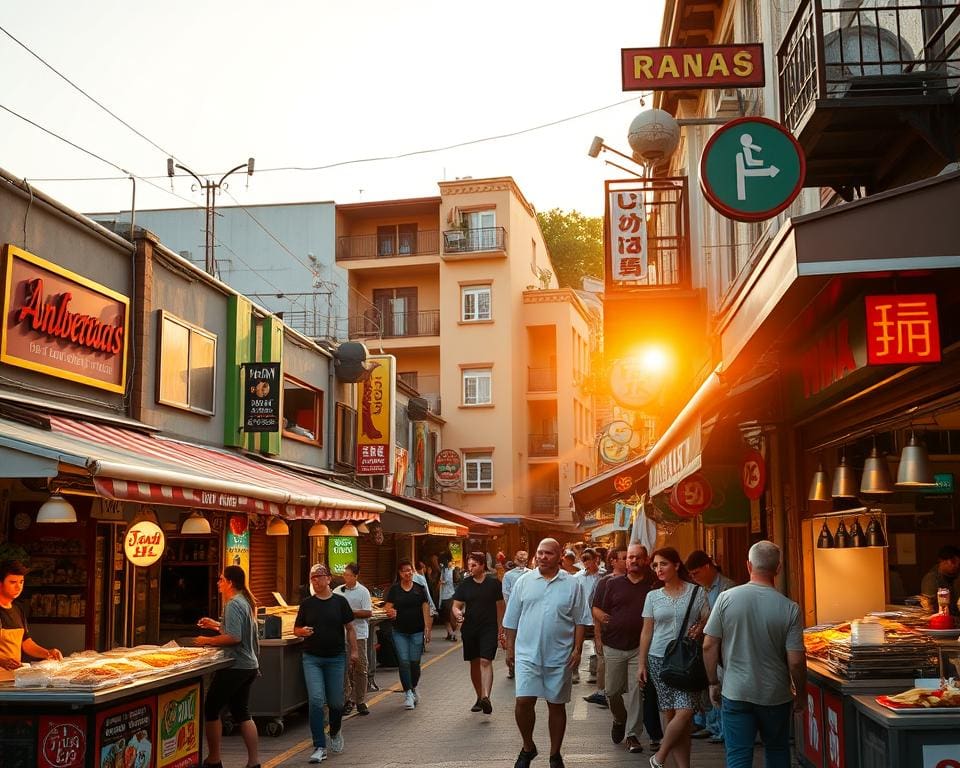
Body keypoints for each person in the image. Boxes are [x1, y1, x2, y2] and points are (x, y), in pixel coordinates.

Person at [703, 541, 807, 768]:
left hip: (736, 691)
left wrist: (713, 682)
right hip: (776, 694)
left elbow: (708, 645)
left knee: (738, 757)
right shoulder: (790, 608)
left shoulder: (726, 598)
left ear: (749, 565)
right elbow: (796, 661)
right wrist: (800, 693)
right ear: (778, 568)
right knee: (778, 751)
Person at [503, 538, 592, 768]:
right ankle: (527, 747)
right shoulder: (524, 582)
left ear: (559, 556)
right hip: (526, 654)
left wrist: (578, 648)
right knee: (523, 701)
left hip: (559, 655)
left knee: (556, 704)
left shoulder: (573, 584)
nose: (543, 557)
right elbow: (511, 619)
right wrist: (510, 649)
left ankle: (555, 754)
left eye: (548, 553)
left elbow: (580, 619)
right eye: (540, 553)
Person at [638, 547, 710, 768]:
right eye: (655, 566)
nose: (658, 569)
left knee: (685, 712)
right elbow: (647, 631)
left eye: (663, 564)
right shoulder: (653, 596)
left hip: (687, 660)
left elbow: (710, 620)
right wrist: (641, 663)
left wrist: (700, 628)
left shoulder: (697, 593)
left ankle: (659, 757)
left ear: (677, 565)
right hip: (659, 659)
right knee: (672, 716)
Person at [593, 543, 657, 755]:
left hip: (640, 647)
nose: (633, 561)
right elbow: (596, 608)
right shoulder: (612, 584)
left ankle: (632, 735)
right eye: (630, 557)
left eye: (638, 557)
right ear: (625, 560)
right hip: (614, 645)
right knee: (611, 692)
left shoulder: (652, 585)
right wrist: (600, 622)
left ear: (646, 560)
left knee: (637, 692)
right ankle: (619, 719)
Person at [195, 565, 260, 768]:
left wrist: (207, 640)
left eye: (221, 579)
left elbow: (234, 637)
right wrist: (215, 625)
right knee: (242, 712)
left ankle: (213, 760)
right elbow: (235, 629)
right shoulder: (245, 601)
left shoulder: (233, 603)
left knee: (212, 708)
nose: (218, 583)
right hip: (248, 665)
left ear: (230, 582)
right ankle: (253, 762)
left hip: (236, 666)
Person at [295, 563, 358, 763]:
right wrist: (301, 632)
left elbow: (350, 628)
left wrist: (354, 650)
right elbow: (297, 628)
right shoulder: (307, 604)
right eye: (313, 577)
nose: (316, 580)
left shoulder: (340, 602)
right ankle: (319, 745)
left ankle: (335, 731)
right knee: (315, 701)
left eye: (320, 576)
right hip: (312, 657)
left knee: (336, 703)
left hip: (336, 658)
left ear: (329, 579)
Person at [685, 550, 736, 744]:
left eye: (696, 573)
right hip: (708, 646)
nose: (693, 578)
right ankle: (713, 726)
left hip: (722, 647)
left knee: (721, 688)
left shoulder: (727, 587)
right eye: (691, 575)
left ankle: (723, 730)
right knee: (711, 687)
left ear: (707, 567)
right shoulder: (702, 589)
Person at [451, 551, 504, 714]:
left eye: (474, 565)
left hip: (489, 628)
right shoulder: (465, 584)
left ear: (482, 565)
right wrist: (457, 613)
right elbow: (456, 605)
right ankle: (479, 696)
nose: (471, 568)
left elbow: (500, 606)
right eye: (469, 565)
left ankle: (486, 697)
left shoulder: (494, 584)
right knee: (474, 662)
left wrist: (501, 627)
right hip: (470, 628)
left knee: (485, 661)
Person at [384, 559, 433, 709]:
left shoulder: (419, 589)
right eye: (405, 570)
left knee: (414, 662)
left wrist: (427, 628)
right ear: (400, 573)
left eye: (410, 570)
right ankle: (408, 694)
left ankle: (414, 686)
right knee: (404, 662)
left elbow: (426, 608)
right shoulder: (394, 590)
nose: (408, 573)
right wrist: (390, 612)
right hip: (399, 631)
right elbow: (388, 606)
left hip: (417, 631)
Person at [583, 547, 628, 709]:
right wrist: (598, 637)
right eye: (624, 557)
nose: (628, 561)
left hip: (632, 640)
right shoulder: (605, 582)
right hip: (609, 636)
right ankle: (604, 693)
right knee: (605, 664)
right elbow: (596, 610)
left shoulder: (638, 580)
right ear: (613, 561)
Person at [0, 560, 62, 669]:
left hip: (11, 675)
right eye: (13, 582)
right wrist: (1, 660)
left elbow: (26, 642)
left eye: (21, 582)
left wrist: (47, 653)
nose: (18, 587)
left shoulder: (18, 608)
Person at [333, 562, 373, 716]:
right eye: (345, 574)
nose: (346, 577)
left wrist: (350, 613)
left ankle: (360, 700)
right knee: (344, 669)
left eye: (349, 575)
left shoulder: (363, 592)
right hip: (341, 635)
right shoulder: (338, 591)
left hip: (359, 634)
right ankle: (347, 699)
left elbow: (368, 612)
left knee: (360, 667)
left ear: (356, 576)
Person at [572, 547, 602, 685]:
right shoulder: (577, 578)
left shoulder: (603, 576)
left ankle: (594, 672)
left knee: (598, 645)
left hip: (596, 617)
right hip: (580, 617)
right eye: (583, 560)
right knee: (576, 646)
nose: (585, 562)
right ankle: (574, 671)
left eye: (587, 559)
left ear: (596, 559)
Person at [501, 550, 532, 679]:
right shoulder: (509, 575)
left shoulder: (532, 574)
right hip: (517, 613)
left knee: (522, 639)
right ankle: (512, 666)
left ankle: (522, 666)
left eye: (524, 558)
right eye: (520, 558)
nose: (522, 560)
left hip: (526, 613)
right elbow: (506, 595)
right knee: (513, 639)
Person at [921, 544, 960, 616]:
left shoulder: (957, 575)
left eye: (958, 563)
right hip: (940, 620)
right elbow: (927, 606)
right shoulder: (931, 579)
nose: (956, 565)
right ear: (942, 561)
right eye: (953, 562)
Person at [438, 552, 459, 641]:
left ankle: (451, 633)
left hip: (445, 597)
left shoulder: (443, 570)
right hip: (453, 595)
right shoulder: (453, 570)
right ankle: (450, 634)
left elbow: (441, 582)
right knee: (452, 617)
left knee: (446, 618)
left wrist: (440, 582)